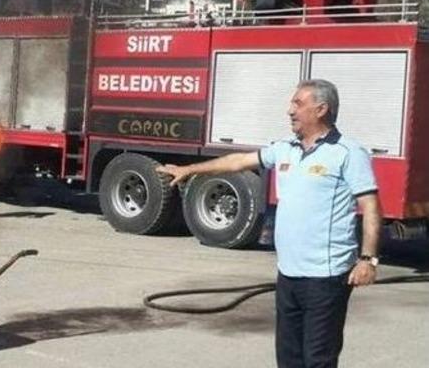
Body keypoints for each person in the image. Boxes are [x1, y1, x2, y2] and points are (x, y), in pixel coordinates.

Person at [158, 79, 381, 368]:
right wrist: (189, 169)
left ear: (321, 109)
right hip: (288, 273)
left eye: (298, 104)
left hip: (326, 278)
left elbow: (372, 207)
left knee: (318, 360)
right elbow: (237, 162)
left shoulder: (348, 153)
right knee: (288, 359)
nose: (290, 111)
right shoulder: (285, 149)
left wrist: (368, 260)